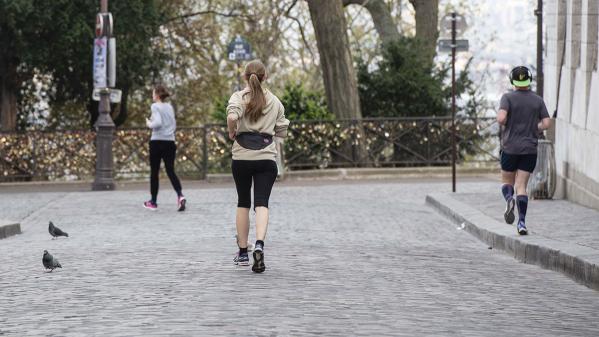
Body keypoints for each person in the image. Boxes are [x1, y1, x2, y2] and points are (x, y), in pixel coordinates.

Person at [226, 60, 289, 273]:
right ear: (266, 77)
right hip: (265, 158)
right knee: (262, 203)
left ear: (245, 77)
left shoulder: (238, 97)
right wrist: (267, 126)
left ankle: (243, 252)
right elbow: (282, 130)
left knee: (243, 202)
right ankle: (259, 244)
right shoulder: (274, 101)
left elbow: (232, 116)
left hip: (241, 156)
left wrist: (232, 131)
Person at [497, 66, 551, 235]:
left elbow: (501, 118)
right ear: (529, 81)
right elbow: (547, 123)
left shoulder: (507, 98)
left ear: (513, 81)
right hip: (529, 149)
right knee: (522, 186)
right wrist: (535, 128)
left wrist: (508, 124)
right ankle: (521, 223)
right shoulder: (537, 100)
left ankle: (508, 199)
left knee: (507, 182)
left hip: (510, 147)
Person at [143, 84, 186, 212]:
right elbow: (173, 124)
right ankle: (180, 195)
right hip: (170, 142)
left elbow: (157, 123)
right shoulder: (169, 107)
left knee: (154, 172)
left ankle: (153, 201)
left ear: (156, 95)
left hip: (157, 141)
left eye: (152, 93)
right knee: (170, 170)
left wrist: (149, 123)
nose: (152, 95)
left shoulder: (155, 106)